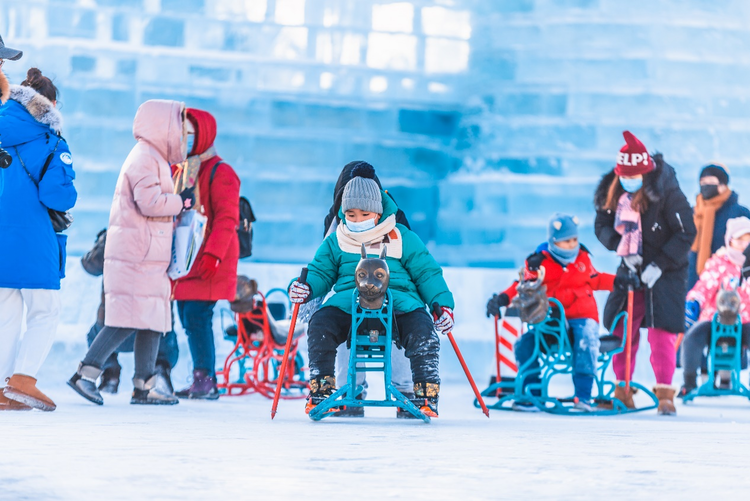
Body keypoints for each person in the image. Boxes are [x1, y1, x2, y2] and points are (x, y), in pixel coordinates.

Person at [289, 163, 454, 417]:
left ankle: (425, 392)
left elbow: (426, 272)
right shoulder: (338, 239)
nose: (356, 220)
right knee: (321, 323)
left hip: (398, 304)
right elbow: (321, 271)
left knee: (422, 329)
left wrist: (440, 304)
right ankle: (322, 387)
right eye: (351, 214)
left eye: (364, 214)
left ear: (377, 213)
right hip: (349, 304)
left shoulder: (400, 236)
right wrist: (305, 287)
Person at [67, 99, 195, 406]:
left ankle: (144, 385)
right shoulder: (144, 158)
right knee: (124, 319)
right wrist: (180, 202)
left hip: (147, 254)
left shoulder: (154, 158)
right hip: (137, 255)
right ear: (163, 127)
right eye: (180, 129)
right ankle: (85, 374)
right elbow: (148, 202)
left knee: (153, 319)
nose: (183, 137)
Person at [594, 131, 696, 415]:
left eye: (633, 176)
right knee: (621, 326)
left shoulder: (668, 193)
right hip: (630, 267)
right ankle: (622, 389)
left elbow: (686, 232)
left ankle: (665, 393)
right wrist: (620, 248)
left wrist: (658, 265)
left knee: (661, 333)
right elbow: (601, 224)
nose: (628, 181)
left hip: (666, 270)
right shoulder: (612, 190)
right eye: (623, 176)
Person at [0, 67, 77, 411]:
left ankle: (4, 389)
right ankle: (23, 379)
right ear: (51, 105)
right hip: (33, 239)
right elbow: (58, 197)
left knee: (5, 314)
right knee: (45, 310)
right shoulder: (50, 140)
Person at [487, 214, 615, 412]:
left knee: (586, 340)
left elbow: (597, 279)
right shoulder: (540, 263)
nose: (572, 245)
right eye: (566, 241)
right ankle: (533, 394)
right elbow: (521, 286)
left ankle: (583, 396)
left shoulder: (582, 259)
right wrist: (502, 299)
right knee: (524, 345)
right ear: (554, 241)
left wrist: (620, 282)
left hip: (582, 317)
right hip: (552, 323)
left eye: (574, 240)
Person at [316, 161, 414, 418]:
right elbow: (325, 262)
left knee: (401, 323)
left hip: (390, 293)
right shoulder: (336, 220)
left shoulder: (394, 220)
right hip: (351, 294)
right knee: (339, 322)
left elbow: (414, 261)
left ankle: (405, 389)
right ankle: (350, 389)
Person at [172, 108, 240, 400]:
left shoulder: (221, 171)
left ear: (204, 134)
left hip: (210, 258)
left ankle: (207, 379)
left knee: (198, 317)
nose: (186, 139)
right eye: (182, 133)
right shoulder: (184, 169)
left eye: (191, 134)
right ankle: (201, 376)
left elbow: (227, 218)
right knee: (187, 317)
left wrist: (213, 254)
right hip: (187, 257)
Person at [80, 229, 179, 395]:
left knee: (95, 334)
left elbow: (89, 265)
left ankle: (110, 373)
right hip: (154, 331)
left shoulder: (115, 236)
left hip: (115, 331)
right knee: (165, 335)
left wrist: (101, 242)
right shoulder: (165, 237)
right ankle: (160, 372)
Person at [680, 217, 750, 396]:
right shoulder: (718, 264)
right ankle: (689, 382)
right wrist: (694, 302)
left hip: (744, 322)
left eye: (747, 241)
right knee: (692, 338)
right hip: (714, 321)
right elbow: (703, 286)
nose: (743, 246)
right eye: (739, 240)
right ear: (730, 241)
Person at [688, 164, 750, 290]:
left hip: (729, 280)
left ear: (722, 185)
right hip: (693, 278)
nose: (705, 186)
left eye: (710, 182)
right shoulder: (694, 212)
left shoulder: (738, 212)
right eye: (702, 182)